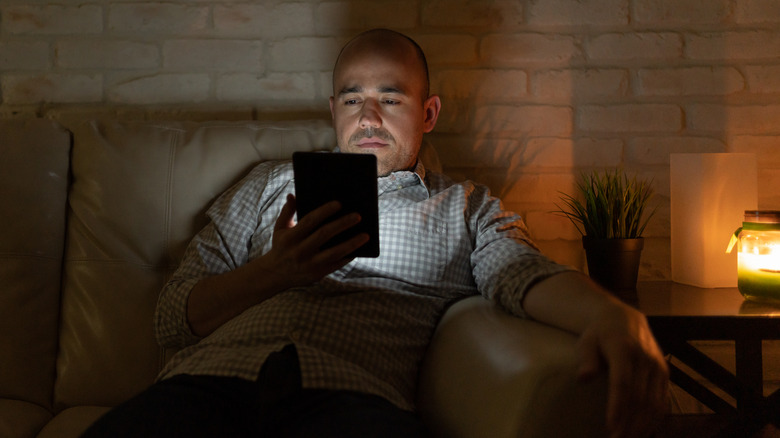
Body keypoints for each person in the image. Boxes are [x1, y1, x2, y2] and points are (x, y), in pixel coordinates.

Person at [83, 28, 668, 438]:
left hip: (352, 402)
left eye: (390, 98)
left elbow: (520, 272)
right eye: (353, 98)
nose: (368, 118)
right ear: (332, 107)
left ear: (428, 112)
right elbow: (171, 320)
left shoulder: (463, 207)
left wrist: (610, 315)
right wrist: (274, 273)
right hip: (203, 389)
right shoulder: (266, 185)